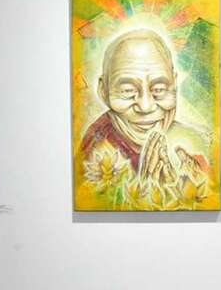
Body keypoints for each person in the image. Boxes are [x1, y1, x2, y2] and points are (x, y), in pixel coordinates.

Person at [80, 29, 209, 188]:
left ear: (174, 85)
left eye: (159, 89)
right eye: (128, 90)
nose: (145, 107)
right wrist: (147, 189)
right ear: (103, 91)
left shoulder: (193, 141)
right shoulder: (93, 152)